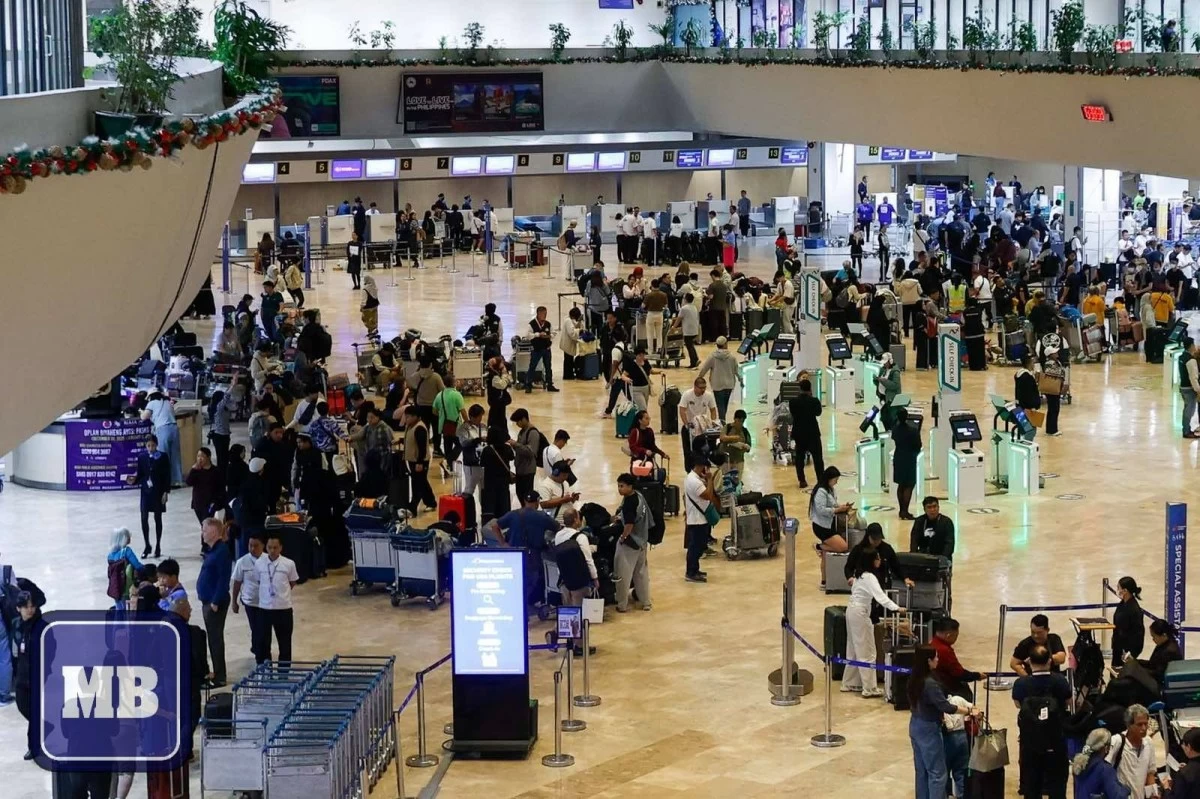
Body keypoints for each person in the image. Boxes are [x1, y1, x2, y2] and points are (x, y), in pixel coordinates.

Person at [908, 646, 977, 799]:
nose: (938, 660)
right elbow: (945, 706)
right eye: (936, 657)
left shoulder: (914, 678)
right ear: (928, 661)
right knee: (937, 773)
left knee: (922, 770)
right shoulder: (930, 683)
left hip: (915, 725)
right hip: (929, 729)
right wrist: (968, 711)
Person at [1012, 644, 1071, 799]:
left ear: (1029, 661)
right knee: (1057, 785)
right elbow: (1068, 702)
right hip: (1056, 740)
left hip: (1030, 741)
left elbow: (1018, 704)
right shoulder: (1060, 681)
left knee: (1031, 786)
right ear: (1050, 661)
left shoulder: (1021, 684)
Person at [841, 548, 901, 698]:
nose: (880, 560)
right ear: (872, 561)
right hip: (860, 613)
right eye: (878, 558)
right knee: (867, 650)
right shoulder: (870, 577)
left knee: (854, 648)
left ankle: (850, 682)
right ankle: (869, 688)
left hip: (851, 611)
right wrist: (897, 608)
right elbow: (880, 597)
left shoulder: (859, 575)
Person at [195, 518, 232, 688]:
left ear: (214, 532)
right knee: (212, 639)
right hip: (208, 601)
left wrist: (215, 601)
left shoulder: (222, 551)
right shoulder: (212, 550)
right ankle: (217, 672)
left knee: (215, 640)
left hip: (214, 603)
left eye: (204, 530)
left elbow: (224, 579)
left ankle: (220, 677)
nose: (202, 533)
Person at [614, 473, 654, 612]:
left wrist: (623, 538)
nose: (619, 489)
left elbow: (629, 524)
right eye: (618, 486)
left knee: (623, 575)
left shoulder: (629, 504)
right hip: (642, 541)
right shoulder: (639, 496)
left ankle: (622, 604)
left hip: (630, 543)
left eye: (622, 486)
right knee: (641, 573)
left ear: (630, 486)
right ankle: (646, 602)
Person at [256, 536, 298, 663]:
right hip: (265, 608)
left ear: (280, 548)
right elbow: (259, 580)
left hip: (283, 608)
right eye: (269, 547)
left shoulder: (289, 564)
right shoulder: (259, 563)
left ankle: (283, 674)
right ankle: (266, 670)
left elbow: (292, 582)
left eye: (275, 548)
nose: (272, 550)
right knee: (263, 642)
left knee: (284, 643)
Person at [128, 434, 171, 558]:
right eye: (148, 446)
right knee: (143, 517)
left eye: (153, 445)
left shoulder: (162, 457)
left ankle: (158, 544)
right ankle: (147, 545)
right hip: (146, 492)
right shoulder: (142, 457)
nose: (150, 448)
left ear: (156, 445)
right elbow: (140, 474)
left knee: (158, 518)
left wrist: (166, 492)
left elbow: (167, 475)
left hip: (158, 492)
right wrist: (133, 480)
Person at [10, 590, 40, 760]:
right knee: (25, 708)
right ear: (18, 608)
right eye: (26, 607)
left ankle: (34, 747)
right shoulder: (16, 625)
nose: (30, 610)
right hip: (22, 677)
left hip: (37, 677)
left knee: (35, 714)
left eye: (32, 606)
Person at [810, 466, 852, 586]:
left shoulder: (830, 489)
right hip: (822, 527)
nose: (836, 482)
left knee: (825, 556)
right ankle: (819, 546)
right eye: (835, 479)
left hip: (830, 524)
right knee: (843, 546)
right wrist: (837, 510)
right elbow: (821, 510)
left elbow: (833, 504)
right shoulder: (821, 492)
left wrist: (842, 507)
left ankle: (825, 581)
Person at [1107, 705, 1159, 799]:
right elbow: (1105, 772)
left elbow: (1150, 774)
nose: (1144, 728)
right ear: (1129, 725)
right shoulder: (1116, 741)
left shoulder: (1148, 743)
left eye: (1145, 724)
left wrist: (1153, 795)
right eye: (1139, 724)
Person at [929, 618, 986, 699]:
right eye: (956, 636)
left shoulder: (932, 642)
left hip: (936, 681)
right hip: (945, 686)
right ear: (948, 635)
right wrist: (977, 676)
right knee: (966, 694)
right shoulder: (944, 650)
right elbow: (959, 673)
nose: (956, 639)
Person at [551, 506, 595, 609]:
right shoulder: (581, 537)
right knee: (580, 610)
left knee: (568, 609)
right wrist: (595, 577)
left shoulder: (558, 535)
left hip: (564, 578)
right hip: (579, 579)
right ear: (575, 520)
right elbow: (588, 559)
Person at [231, 533, 264, 664]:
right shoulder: (242, 562)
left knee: (262, 630)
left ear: (263, 546)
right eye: (250, 545)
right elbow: (237, 583)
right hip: (250, 602)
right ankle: (259, 654)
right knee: (255, 628)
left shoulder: (269, 560)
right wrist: (234, 601)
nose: (252, 548)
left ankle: (260, 650)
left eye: (256, 546)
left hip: (266, 603)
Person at [1072, 728, 1132, 799]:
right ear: (1106, 748)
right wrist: (1126, 789)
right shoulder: (1105, 770)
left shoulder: (1079, 765)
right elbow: (1118, 796)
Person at [683, 458, 716, 583]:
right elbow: (708, 495)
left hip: (697, 518)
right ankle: (691, 572)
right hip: (697, 519)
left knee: (698, 545)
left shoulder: (692, 478)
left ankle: (695, 569)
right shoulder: (694, 481)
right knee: (695, 547)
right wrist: (710, 480)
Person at [402, 407, 438, 517]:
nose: (406, 419)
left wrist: (420, 463)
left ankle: (412, 508)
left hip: (420, 461)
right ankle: (431, 502)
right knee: (421, 482)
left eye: (408, 417)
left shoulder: (420, 428)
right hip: (413, 460)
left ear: (415, 416)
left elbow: (422, 447)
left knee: (417, 484)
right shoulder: (410, 426)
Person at [141, 390, 183, 485]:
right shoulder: (167, 402)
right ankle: (177, 481)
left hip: (163, 429)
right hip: (174, 428)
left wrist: (141, 412)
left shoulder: (151, 403)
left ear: (150, 397)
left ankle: (165, 481)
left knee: (164, 456)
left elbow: (144, 417)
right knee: (175, 455)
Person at [186, 447, 224, 551]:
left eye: (202, 456)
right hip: (198, 503)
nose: (200, 459)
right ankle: (207, 544)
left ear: (208, 457)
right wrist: (193, 469)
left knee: (205, 524)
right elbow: (189, 482)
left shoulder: (215, 471)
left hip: (210, 504)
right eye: (198, 456)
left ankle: (205, 546)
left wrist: (217, 501)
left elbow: (220, 488)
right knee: (204, 525)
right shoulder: (197, 471)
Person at [698, 336, 743, 422]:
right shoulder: (732, 357)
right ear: (725, 344)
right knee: (724, 405)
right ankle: (723, 421)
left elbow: (704, 369)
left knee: (720, 406)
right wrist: (741, 380)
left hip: (717, 385)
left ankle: (722, 423)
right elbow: (736, 371)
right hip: (729, 385)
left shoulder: (712, 357)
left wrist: (699, 378)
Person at [788, 378, 824, 488]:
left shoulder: (793, 402)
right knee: (817, 458)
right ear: (810, 389)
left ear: (800, 389)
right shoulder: (814, 401)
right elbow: (818, 413)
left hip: (799, 433)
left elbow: (793, 414)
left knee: (799, 457)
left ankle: (802, 480)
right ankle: (820, 480)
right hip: (812, 433)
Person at [679, 377, 718, 473]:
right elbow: (682, 410)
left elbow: (713, 410)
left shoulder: (709, 395)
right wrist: (686, 424)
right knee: (688, 451)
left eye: (704, 387)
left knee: (702, 449)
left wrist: (713, 422)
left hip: (702, 427)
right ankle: (689, 470)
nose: (703, 390)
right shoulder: (687, 395)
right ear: (695, 387)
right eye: (701, 388)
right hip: (690, 426)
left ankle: (703, 467)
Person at [891, 407, 922, 520]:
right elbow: (918, 445)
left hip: (898, 457)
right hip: (909, 458)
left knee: (901, 484)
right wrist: (914, 453)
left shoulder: (895, 429)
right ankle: (905, 511)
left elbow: (894, 439)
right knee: (909, 484)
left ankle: (901, 510)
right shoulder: (913, 430)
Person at [510, 408, 545, 502]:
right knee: (520, 493)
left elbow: (531, 452)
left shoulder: (533, 432)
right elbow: (520, 448)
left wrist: (515, 444)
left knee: (526, 496)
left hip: (528, 470)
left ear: (524, 419)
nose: (517, 424)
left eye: (518, 421)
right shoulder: (522, 431)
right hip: (520, 469)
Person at [481, 428, 515, 521]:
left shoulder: (487, 450)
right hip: (503, 481)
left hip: (490, 482)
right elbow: (512, 457)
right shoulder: (507, 448)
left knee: (491, 508)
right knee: (504, 505)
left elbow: (482, 464)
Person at [1112, 576, 1147, 668]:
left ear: (1125, 590)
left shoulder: (1134, 609)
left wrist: (1132, 653)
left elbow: (1138, 633)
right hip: (1118, 646)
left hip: (1126, 651)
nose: (1117, 590)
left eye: (1119, 588)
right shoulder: (1123, 603)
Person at [105, 528, 143, 607]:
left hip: (115, 586)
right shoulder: (127, 551)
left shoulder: (110, 555)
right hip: (127, 586)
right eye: (128, 536)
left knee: (119, 610)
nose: (130, 538)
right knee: (127, 611)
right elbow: (137, 566)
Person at [1139, 619, 1184, 686]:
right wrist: (1136, 662)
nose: (1153, 639)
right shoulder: (1163, 644)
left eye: (1154, 636)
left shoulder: (1169, 651)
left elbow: (1159, 674)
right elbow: (1152, 664)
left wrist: (1139, 671)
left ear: (1163, 635)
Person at [524, 306, 559, 393]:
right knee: (532, 366)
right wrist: (538, 335)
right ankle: (528, 384)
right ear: (538, 314)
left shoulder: (548, 324)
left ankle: (550, 384)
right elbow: (528, 335)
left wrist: (549, 336)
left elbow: (554, 333)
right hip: (536, 349)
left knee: (548, 367)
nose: (545, 315)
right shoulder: (532, 324)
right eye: (543, 314)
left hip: (546, 349)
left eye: (546, 314)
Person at [910, 497, 955, 561]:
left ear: (938, 507)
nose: (932, 510)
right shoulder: (919, 521)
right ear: (924, 509)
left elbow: (949, 544)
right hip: (923, 555)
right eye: (929, 507)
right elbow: (914, 541)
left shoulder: (946, 522)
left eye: (934, 506)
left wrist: (942, 559)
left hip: (941, 556)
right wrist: (914, 557)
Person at [670, 292, 701, 368]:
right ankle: (695, 359)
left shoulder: (684, 308)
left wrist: (674, 327)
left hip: (688, 330)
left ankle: (694, 361)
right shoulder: (694, 307)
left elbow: (679, 319)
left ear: (685, 299)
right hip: (694, 329)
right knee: (691, 345)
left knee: (689, 346)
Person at [1166, 727, 1200, 796]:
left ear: (1189, 747)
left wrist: (1166, 788)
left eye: (1184, 744)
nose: (1182, 747)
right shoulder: (1186, 771)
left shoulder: (1184, 774)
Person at [486, 358, 514, 436]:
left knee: (502, 420)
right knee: (497, 421)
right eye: (501, 363)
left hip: (500, 402)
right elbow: (502, 385)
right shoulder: (493, 376)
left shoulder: (497, 373)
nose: (503, 365)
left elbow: (510, 381)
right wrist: (505, 375)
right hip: (496, 403)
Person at [1179, 337, 1199, 438]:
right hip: (1189, 389)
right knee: (1189, 410)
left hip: (1183, 387)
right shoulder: (1191, 361)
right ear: (1191, 346)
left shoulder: (1182, 357)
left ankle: (1186, 429)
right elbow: (1193, 378)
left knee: (1187, 409)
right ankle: (1186, 431)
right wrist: (1198, 390)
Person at [559, 306, 583, 380]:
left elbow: (574, 326)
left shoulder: (570, 320)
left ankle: (569, 374)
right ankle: (567, 375)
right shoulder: (568, 321)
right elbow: (572, 332)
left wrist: (579, 322)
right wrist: (580, 331)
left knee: (569, 359)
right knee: (568, 360)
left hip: (568, 343)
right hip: (567, 343)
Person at [360, 272, 380, 339]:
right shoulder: (374, 287)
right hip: (375, 305)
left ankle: (372, 332)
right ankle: (373, 330)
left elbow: (364, 300)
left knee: (366, 319)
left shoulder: (365, 289)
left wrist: (361, 307)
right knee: (373, 319)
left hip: (367, 307)